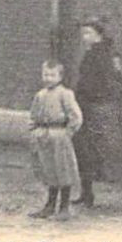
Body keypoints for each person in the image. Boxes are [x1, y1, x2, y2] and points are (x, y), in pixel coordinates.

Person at [71, 18, 122, 208]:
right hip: (88, 108)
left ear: (98, 34)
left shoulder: (102, 55)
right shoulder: (93, 53)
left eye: (88, 33)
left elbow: (109, 82)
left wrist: (114, 106)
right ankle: (86, 194)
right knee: (85, 151)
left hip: (100, 110)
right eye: (83, 34)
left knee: (112, 152)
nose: (84, 37)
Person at [26, 60, 83, 219]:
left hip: (59, 135)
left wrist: (67, 133)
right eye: (45, 74)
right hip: (44, 135)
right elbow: (33, 115)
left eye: (52, 75)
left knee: (63, 170)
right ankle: (49, 205)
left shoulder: (65, 94)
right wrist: (35, 131)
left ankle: (64, 207)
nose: (48, 78)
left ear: (60, 76)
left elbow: (76, 117)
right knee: (49, 170)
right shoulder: (40, 95)